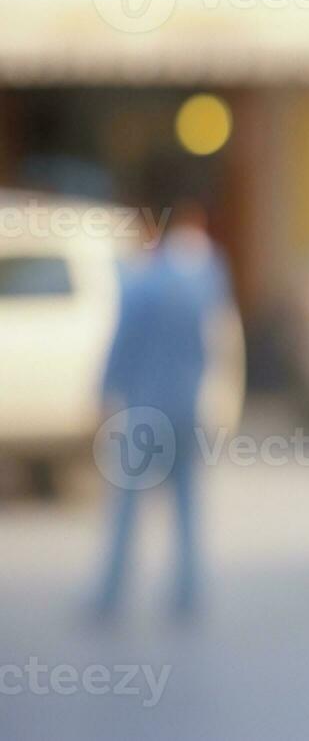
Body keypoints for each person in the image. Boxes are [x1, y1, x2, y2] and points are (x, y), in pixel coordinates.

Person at [93, 184, 233, 621]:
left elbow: (123, 341)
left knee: (128, 505)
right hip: (186, 405)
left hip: (144, 408)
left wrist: (104, 392)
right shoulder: (207, 275)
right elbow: (218, 338)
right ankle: (187, 594)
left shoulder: (143, 280)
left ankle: (111, 594)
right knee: (187, 504)